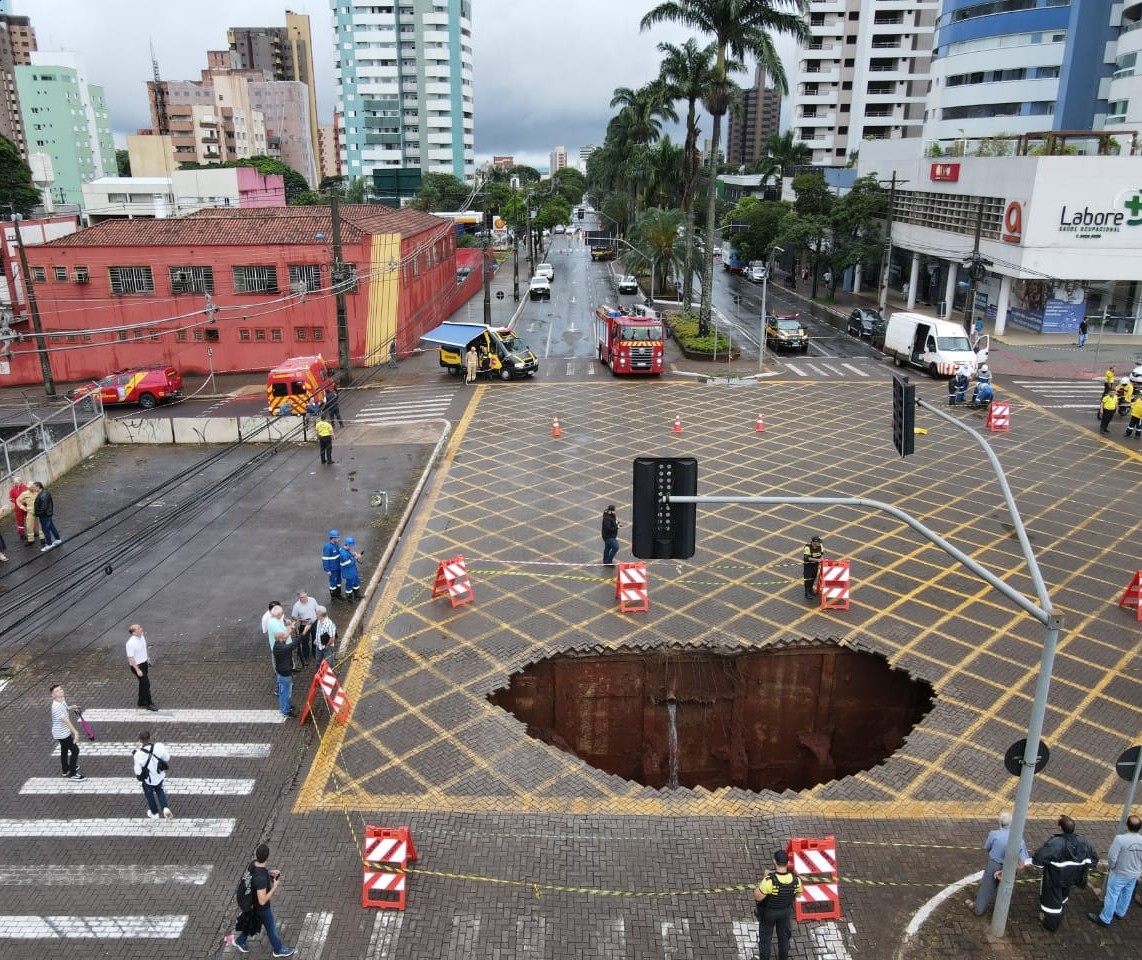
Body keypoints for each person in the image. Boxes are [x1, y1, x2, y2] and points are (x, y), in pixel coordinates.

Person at [1031, 814, 1098, 931]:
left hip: (1054, 878)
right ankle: (1060, 909)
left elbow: (1038, 859)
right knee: (1063, 895)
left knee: (1052, 902)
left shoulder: (1055, 843)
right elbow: (1093, 860)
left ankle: (1051, 924)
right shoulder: (1084, 842)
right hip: (1073, 878)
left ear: (1060, 828)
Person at [227, 843, 294, 957]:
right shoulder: (261, 880)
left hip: (252, 904)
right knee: (271, 928)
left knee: (253, 923)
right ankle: (278, 950)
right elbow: (262, 900)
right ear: (267, 856)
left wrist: (270, 872)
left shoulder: (253, 864)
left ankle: (239, 941)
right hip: (261, 908)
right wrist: (275, 886)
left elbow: (257, 874)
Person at [965, 810, 1028, 916]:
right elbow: (1021, 864)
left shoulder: (994, 834)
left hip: (994, 864)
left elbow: (987, 848)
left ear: (1000, 822)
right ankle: (1001, 914)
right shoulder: (1019, 840)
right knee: (1005, 890)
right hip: (1009, 867)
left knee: (986, 888)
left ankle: (978, 908)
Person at [1089, 815, 1142, 927]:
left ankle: (1105, 918)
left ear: (1127, 825)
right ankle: (1120, 912)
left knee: (1112, 894)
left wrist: (1112, 867)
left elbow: (1112, 857)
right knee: (1127, 893)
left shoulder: (1120, 839)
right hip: (1135, 873)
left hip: (1120, 873)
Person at [754, 849, 802, 960]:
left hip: (769, 913)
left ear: (774, 861)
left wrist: (764, 878)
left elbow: (757, 896)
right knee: (784, 938)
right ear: (787, 862)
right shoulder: (796, 880)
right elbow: (799, 895)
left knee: (766, 937)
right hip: (785, 912)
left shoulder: (769, 881)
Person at [132, 730, 172, 820]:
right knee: (160, 790)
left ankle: (154, 813)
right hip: (159, 775)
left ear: (140, 740)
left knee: (149, 794)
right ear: (150, 738)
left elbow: (137, 771)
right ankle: (165, 808)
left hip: (148, 779)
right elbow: (167, 758)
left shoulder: (138, 754)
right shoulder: (158, 747)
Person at [50, 683, 85, 781]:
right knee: (75, 750)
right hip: (62, 733)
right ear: (53, 695)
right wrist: (76, 733)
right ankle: (72, 773)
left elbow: (65, 709)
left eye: (60, 689)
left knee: (64, 750)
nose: (60, 691)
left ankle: (65, 770)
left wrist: (71, 707)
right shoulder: (55, 707)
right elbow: (66, 720)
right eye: (57, 691)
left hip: (61, 731)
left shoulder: (62, 700)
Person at [126, 623, 158, 711]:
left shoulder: (142, 637)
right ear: (133, 633)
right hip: (137, 666)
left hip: (144, 663)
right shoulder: (130, 643)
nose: (141, 629)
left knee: (143, 683)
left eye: (140, 627)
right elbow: (131, 658)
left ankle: (141, 700)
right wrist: (137, 670)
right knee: (146, 684)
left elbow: (143, 649)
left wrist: (147, 658)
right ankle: (148, 703)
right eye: (138, 629)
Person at [272, 625, 297, 718]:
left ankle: (286, 707)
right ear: (280, 638)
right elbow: (294, 644)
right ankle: (286, 711)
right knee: (286, 692)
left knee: (283, 692)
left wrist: (290, 630)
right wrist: (303, 633)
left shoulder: (276, 645)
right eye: (283, 636)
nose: (285, 637)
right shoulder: (283, 648)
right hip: (285, 675)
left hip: (281, 673)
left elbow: (284, 637)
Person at [31, 481, 62, 552]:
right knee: (51, 527)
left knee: (45, 530)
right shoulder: (44, 493)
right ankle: (58, 539)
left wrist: (37, 514)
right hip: (47, 515)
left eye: (33, 487)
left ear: (38, 487)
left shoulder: (43, 495)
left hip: (45, 516)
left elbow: (43, 508)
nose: (33, 489)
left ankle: (49, 544)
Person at [291, 591, 318, 667]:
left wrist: (317, 616)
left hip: (314, 623)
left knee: (315, 638)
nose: (305, 598)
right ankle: (306, 656)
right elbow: (294, 616)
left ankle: (315, 652)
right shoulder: (296, 606)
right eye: (303, 597)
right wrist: (301, 619)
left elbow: (317, 608)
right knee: (304, 642)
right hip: (304, 625)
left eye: (306, 596)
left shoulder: (312, 600)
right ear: (299, 598)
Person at [339, 536, 364, 602]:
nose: (351, 547)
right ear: (348, 545)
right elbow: (348, 563)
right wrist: (355, 558)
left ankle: (357, 594)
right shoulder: (344, 553)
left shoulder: (346, 551)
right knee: (349, 585)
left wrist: (353, 555)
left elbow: (349, 557)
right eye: (351, 546)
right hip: (348, 572)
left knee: (356, 581)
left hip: (352, 571)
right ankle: (349, 597)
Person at [322, 530, 343, 602]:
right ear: (333, 538)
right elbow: (325, 559)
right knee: (333, 583)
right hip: (332, 569)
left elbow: (341, 552)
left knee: (339, 581)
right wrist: (327, 570)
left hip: (338, 567)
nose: (339, 539)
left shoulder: (336, 545)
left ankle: (338, 594)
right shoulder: (328, 547)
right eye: (337, 538)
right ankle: (333, 597)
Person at [8, 475, 27, 540]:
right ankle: (21, 534)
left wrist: (24, 501)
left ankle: (33, 531)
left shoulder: (25, 488)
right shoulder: (12, 490)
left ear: (20, 481)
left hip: (26, 506)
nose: (15, 484)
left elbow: (29, 496)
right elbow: (10, 498)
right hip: (18, 508)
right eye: (14, 482)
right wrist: (15, 501)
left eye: (17, 482)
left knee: (29, 519)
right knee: (20, 521)